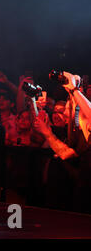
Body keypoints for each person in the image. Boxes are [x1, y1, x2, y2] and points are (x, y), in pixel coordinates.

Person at [34, 71, 91, 213]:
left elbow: (87, 114)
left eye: (67, 109)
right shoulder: (75, 135)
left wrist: (74, 90)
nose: (65, 113)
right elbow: (66, 153)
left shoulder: (86, 128)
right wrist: (47, 132)